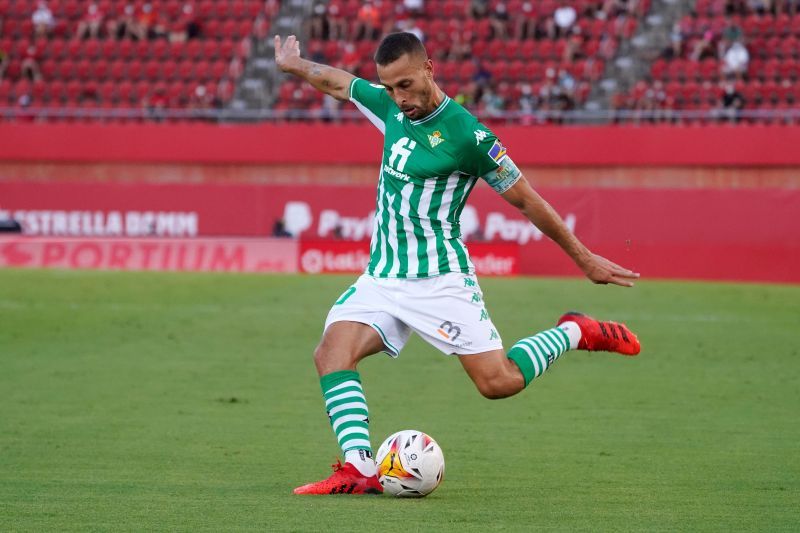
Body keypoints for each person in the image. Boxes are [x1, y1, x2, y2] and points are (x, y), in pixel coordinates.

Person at [274, 32, 641, 496]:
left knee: (498, 383)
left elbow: (527, 201)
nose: (398, 98)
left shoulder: (471, 137)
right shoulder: (389, 108)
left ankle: (575, 330)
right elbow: (338, 83)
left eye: (405, 84)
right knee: (331, 354)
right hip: (382, 278)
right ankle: (360, 469)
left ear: (429, 68)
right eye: (389, 88)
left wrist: (584, 259)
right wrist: (296, 63)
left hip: (440, 281)